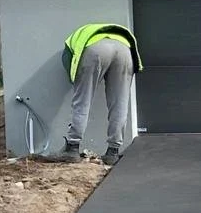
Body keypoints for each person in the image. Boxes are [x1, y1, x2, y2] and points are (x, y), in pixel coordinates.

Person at [56, 22, 143, 163]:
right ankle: (113, 152)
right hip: (125, 50)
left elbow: (73, 73)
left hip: (95, 50)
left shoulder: (68, 49)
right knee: (119, 103)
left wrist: (81, 84)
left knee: (82, 101)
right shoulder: (93, 33)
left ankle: (72, 148)